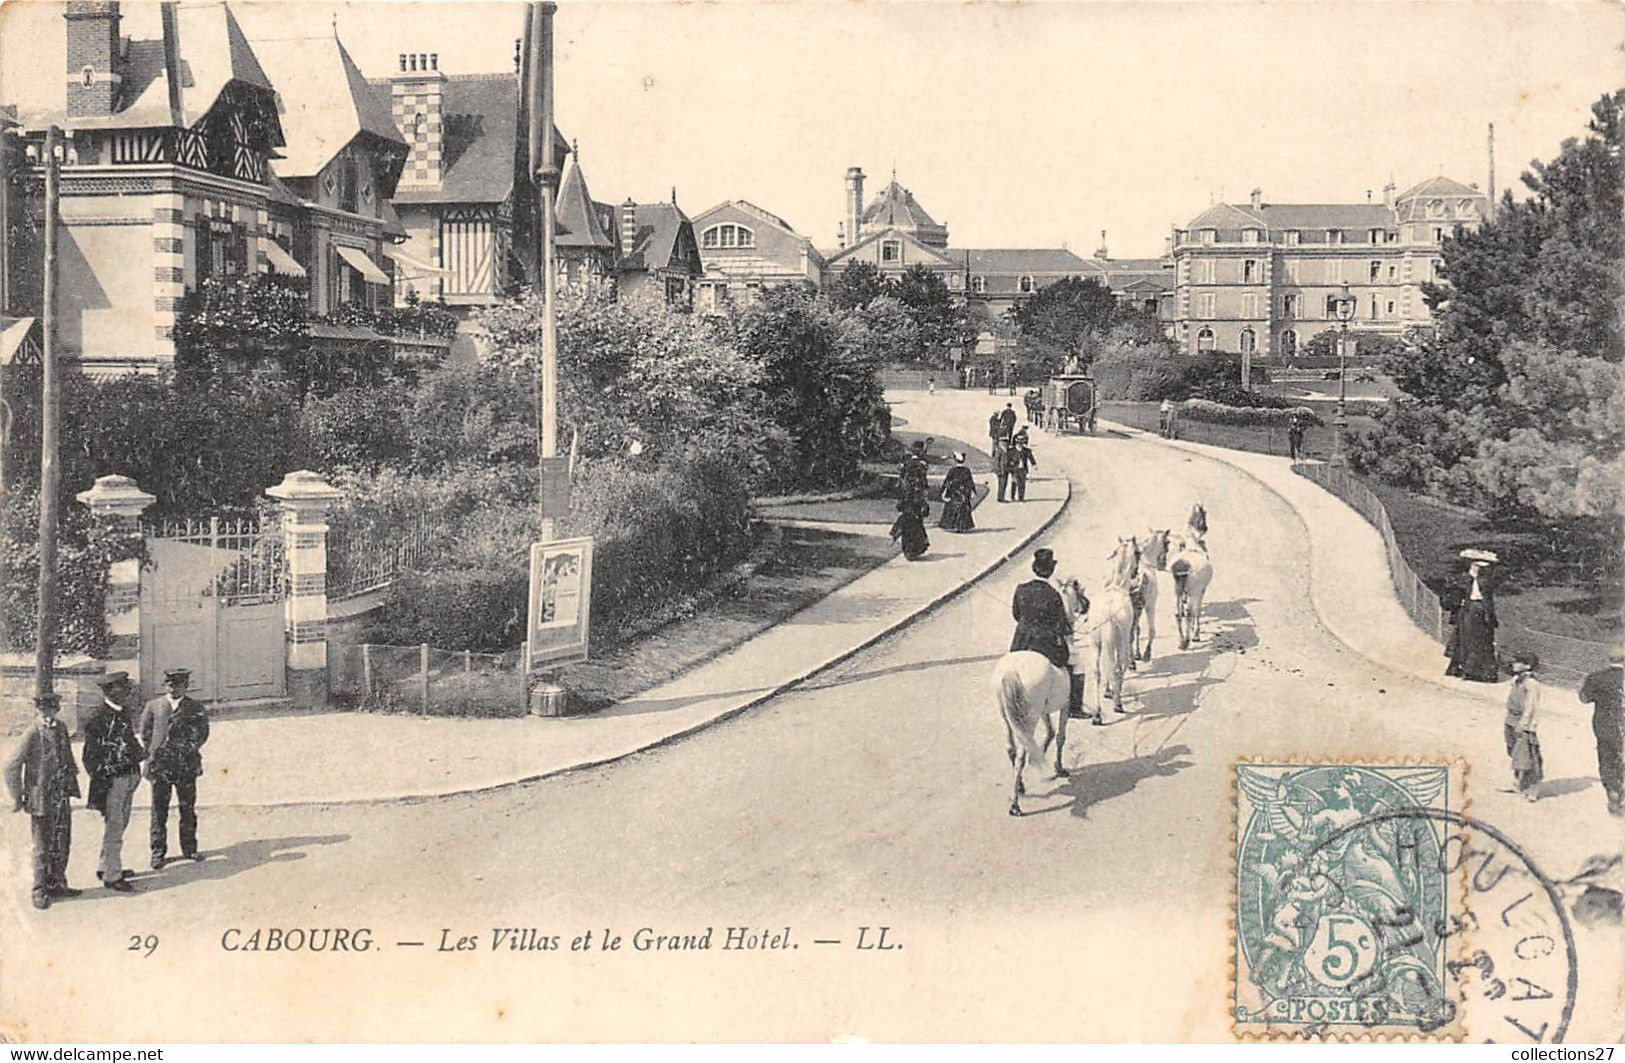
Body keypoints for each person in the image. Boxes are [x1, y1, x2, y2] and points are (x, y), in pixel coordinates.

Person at [4, 694, 81, 909]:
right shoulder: (32, 733)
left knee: (62, 842)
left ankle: (57, 884)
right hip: (41, 799)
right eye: (43, 707)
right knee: (41, 847)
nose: (47, 711)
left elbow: (68, 758)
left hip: (61, 796)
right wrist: (18, 797)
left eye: (52, 707)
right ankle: (39, 890)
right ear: (37, 709)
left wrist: (71, 783)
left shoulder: (62, 727)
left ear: (57, 708)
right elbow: (10, 766)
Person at [140, 668, 211, 869]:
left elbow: (202, 734)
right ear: (165, 686)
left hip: (185, 765)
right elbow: (145, 733)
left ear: (185, 686)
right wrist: (154, 752)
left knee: (187, 808)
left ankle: (189, 848)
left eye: (178, 685)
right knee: (158, 810)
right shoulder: (153, 706)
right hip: (160, 767)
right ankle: (157, 852)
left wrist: (186, 749)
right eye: (170, 685)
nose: (173, 688)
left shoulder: (195, 707)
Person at [82, 672, 145, 892]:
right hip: (112, 782)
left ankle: (106, 866)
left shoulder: (123, 712)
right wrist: (105, 780)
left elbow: (129, 741)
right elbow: (89, 758)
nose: (128, 691)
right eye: (122, 688)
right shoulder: (97, 718)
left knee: (120, 824)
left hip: (129, 776)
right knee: (115, 828)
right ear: (109, 691)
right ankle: (112, 875)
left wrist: (139, 760)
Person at [1011, 549, 1072, 675]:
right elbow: (1061, 625)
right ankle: (1072, 695)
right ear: (1051, 570)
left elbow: (1016, 615)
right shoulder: (1053, 594)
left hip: (1021, 642)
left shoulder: (1021, 589)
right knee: (1076, 664)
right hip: (1045, 644)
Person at [1579, 647, 1624, 816]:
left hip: (1604, 725)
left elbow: (1584, 698)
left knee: (1607, 757)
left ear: (1609, 659)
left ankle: (1613, 791)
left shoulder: (1597, 677)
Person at [1444, 550, 1499, 682]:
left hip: (1477, 611)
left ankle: (1477, 672)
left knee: (1477, 641)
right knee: (1465, 639)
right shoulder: (1469, 579)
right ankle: (1464, 669)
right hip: (1469, 610)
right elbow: (1460, 590)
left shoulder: (1484, 581)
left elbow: (1483, 595)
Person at [1504, 656, 1544, 802]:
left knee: (1528, 756)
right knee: (1514, 752)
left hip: (1523, 723)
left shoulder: (1532, 684)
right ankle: (1517, 783)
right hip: (1511, 719)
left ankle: (1533, 788)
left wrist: (1525, 724)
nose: (1514, 664)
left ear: (1527, 666)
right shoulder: (1516, 680)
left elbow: (1531, 706)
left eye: (1518, 662)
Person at [938, 452, 977, 532]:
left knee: (953, 509)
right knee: (963, 509)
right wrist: (972, 491)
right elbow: (970, 482)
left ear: (955, 460)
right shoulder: (967, 470)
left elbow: (947, 482)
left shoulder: (952, 470)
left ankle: (952, 525)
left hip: (954, 493)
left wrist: (943, 492)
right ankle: (962, 526)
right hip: (963, 493)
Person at [1005, 428, 1037, 502]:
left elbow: (1031, 458)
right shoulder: (1011, 451)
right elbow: (1008, 460)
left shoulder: (1026, 451)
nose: (1020, 444)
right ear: (1016, 443)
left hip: (1023, 469)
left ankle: (1021, 498)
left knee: (1022, 484)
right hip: (1014, 469)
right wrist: (1009, 467)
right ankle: (1013, 496)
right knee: (1015, 482)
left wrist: (1034, 465)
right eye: (1019, 443)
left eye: (1021, 443)